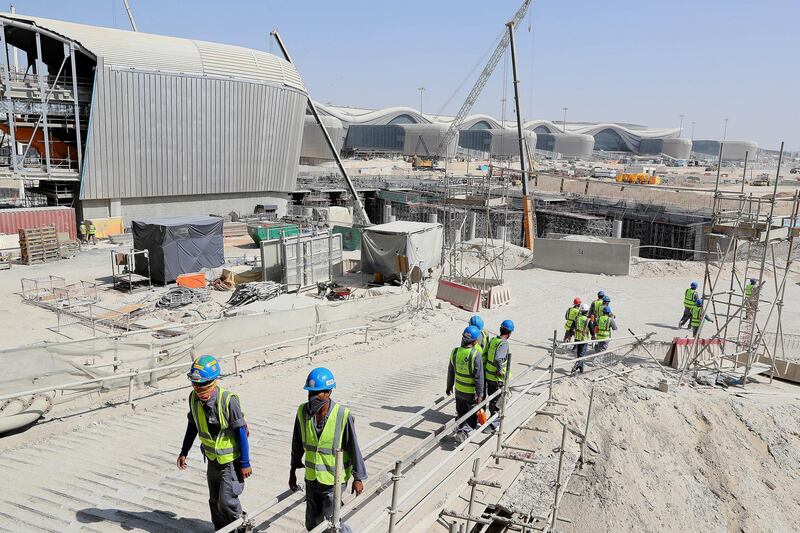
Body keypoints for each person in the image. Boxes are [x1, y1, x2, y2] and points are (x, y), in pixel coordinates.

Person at [177, 355, 251, 531]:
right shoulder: (194, 399)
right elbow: (192, 425)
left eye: (202, 384)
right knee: (215, 501)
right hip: (212, 459)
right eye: (195, 384)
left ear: (213, 381)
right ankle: (221, 529)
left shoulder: (228, 400)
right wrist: (184, 451)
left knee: (227, 501)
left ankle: (242, 526)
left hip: (231, 462)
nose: (198, 388)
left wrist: (245, 463)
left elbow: (241, 432)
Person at [290, 367, 367, 533]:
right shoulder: (302, 412)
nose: (312, 397)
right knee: (312, 522)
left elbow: (354, 447)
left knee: (333, 523)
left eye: (317, 393)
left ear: (328, 393)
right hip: (311, 479)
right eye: (310, 393)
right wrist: (292, 470)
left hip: (334, 481)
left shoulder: (342, 415)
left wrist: (358, 477)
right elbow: (296, 443)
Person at [446, 325, 484, 442]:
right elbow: (479, 378)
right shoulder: (475, 355)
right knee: (472, 418)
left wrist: (449, 386)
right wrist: (480, 395)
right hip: (471, 393)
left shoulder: (455, 352)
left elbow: (450, 371)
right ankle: (463, 433)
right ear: (475, 341)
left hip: (459, 391)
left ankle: (460, 428)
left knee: (461, 413)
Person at [483, 320, 514, 430]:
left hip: (489, 375)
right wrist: (500, 369)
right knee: (498, 402)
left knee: (492, 399)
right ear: (509, 333)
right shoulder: (503, 343)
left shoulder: (493, 340)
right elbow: (498, 358)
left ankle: (491, 421)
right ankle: (492, 425)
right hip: (497, 378)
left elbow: (486, 355)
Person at [571, 304, 591, 374]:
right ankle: (576, 365)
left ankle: (581, 369)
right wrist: (593, 335)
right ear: (587, 311)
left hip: (577, 338)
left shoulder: (576, 318)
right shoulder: (587, 320)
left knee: (579, 354)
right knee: (582, 354)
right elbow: (591, 330)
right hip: (584, 339)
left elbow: (572, 327)